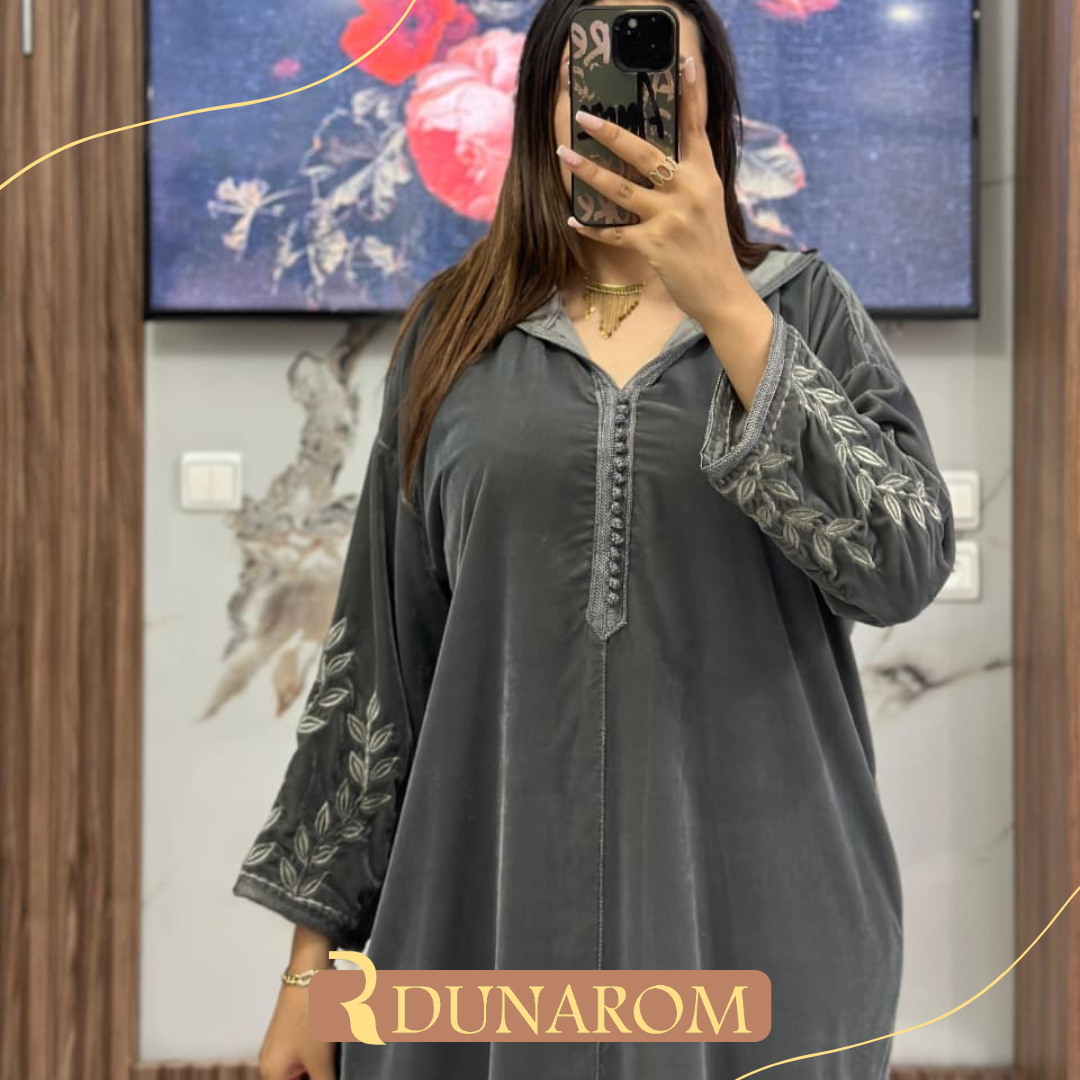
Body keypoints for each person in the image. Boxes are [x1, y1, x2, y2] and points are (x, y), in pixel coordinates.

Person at [236, 0, 955, 1076]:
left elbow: (901, 566)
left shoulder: (802, 311)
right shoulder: (453, 334)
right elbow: (379, 664)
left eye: (662, 76)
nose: (625, 107)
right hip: (478, 936)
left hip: (763, 936)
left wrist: (725, 301)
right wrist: (310, 969)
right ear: (541, 105)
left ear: (708, 107)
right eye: (591, 77)